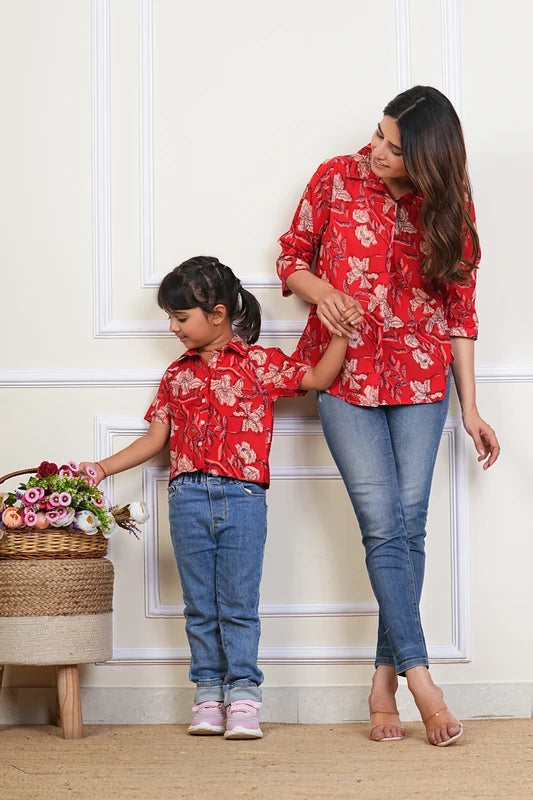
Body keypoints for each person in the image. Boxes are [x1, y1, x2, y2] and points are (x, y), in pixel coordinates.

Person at [276, 85, 500, 746]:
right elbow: (291, 257)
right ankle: (421, 679)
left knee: (408, 527)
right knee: (382, 523)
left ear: (425, 158)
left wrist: (471, 406)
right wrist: (323, 295)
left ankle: (381, 681)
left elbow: (459, 314)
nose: (374, 151)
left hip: (422, 379)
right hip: (342, 375)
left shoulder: (449, 209)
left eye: (393, 148)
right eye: (377, 134)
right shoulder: (333, 180)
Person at [81, 255, 347, 740]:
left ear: (218, 314)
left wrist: (343, 334)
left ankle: (244, 698)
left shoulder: (260, 364)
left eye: (180, 318)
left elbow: (317, 380)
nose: (173, 327)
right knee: (200, 605)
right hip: (185, 499)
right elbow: (154, 441)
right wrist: (99, 469)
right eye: (170, 318)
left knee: (238, 604)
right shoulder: (175, 375)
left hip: (243, 497)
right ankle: (207, 695)